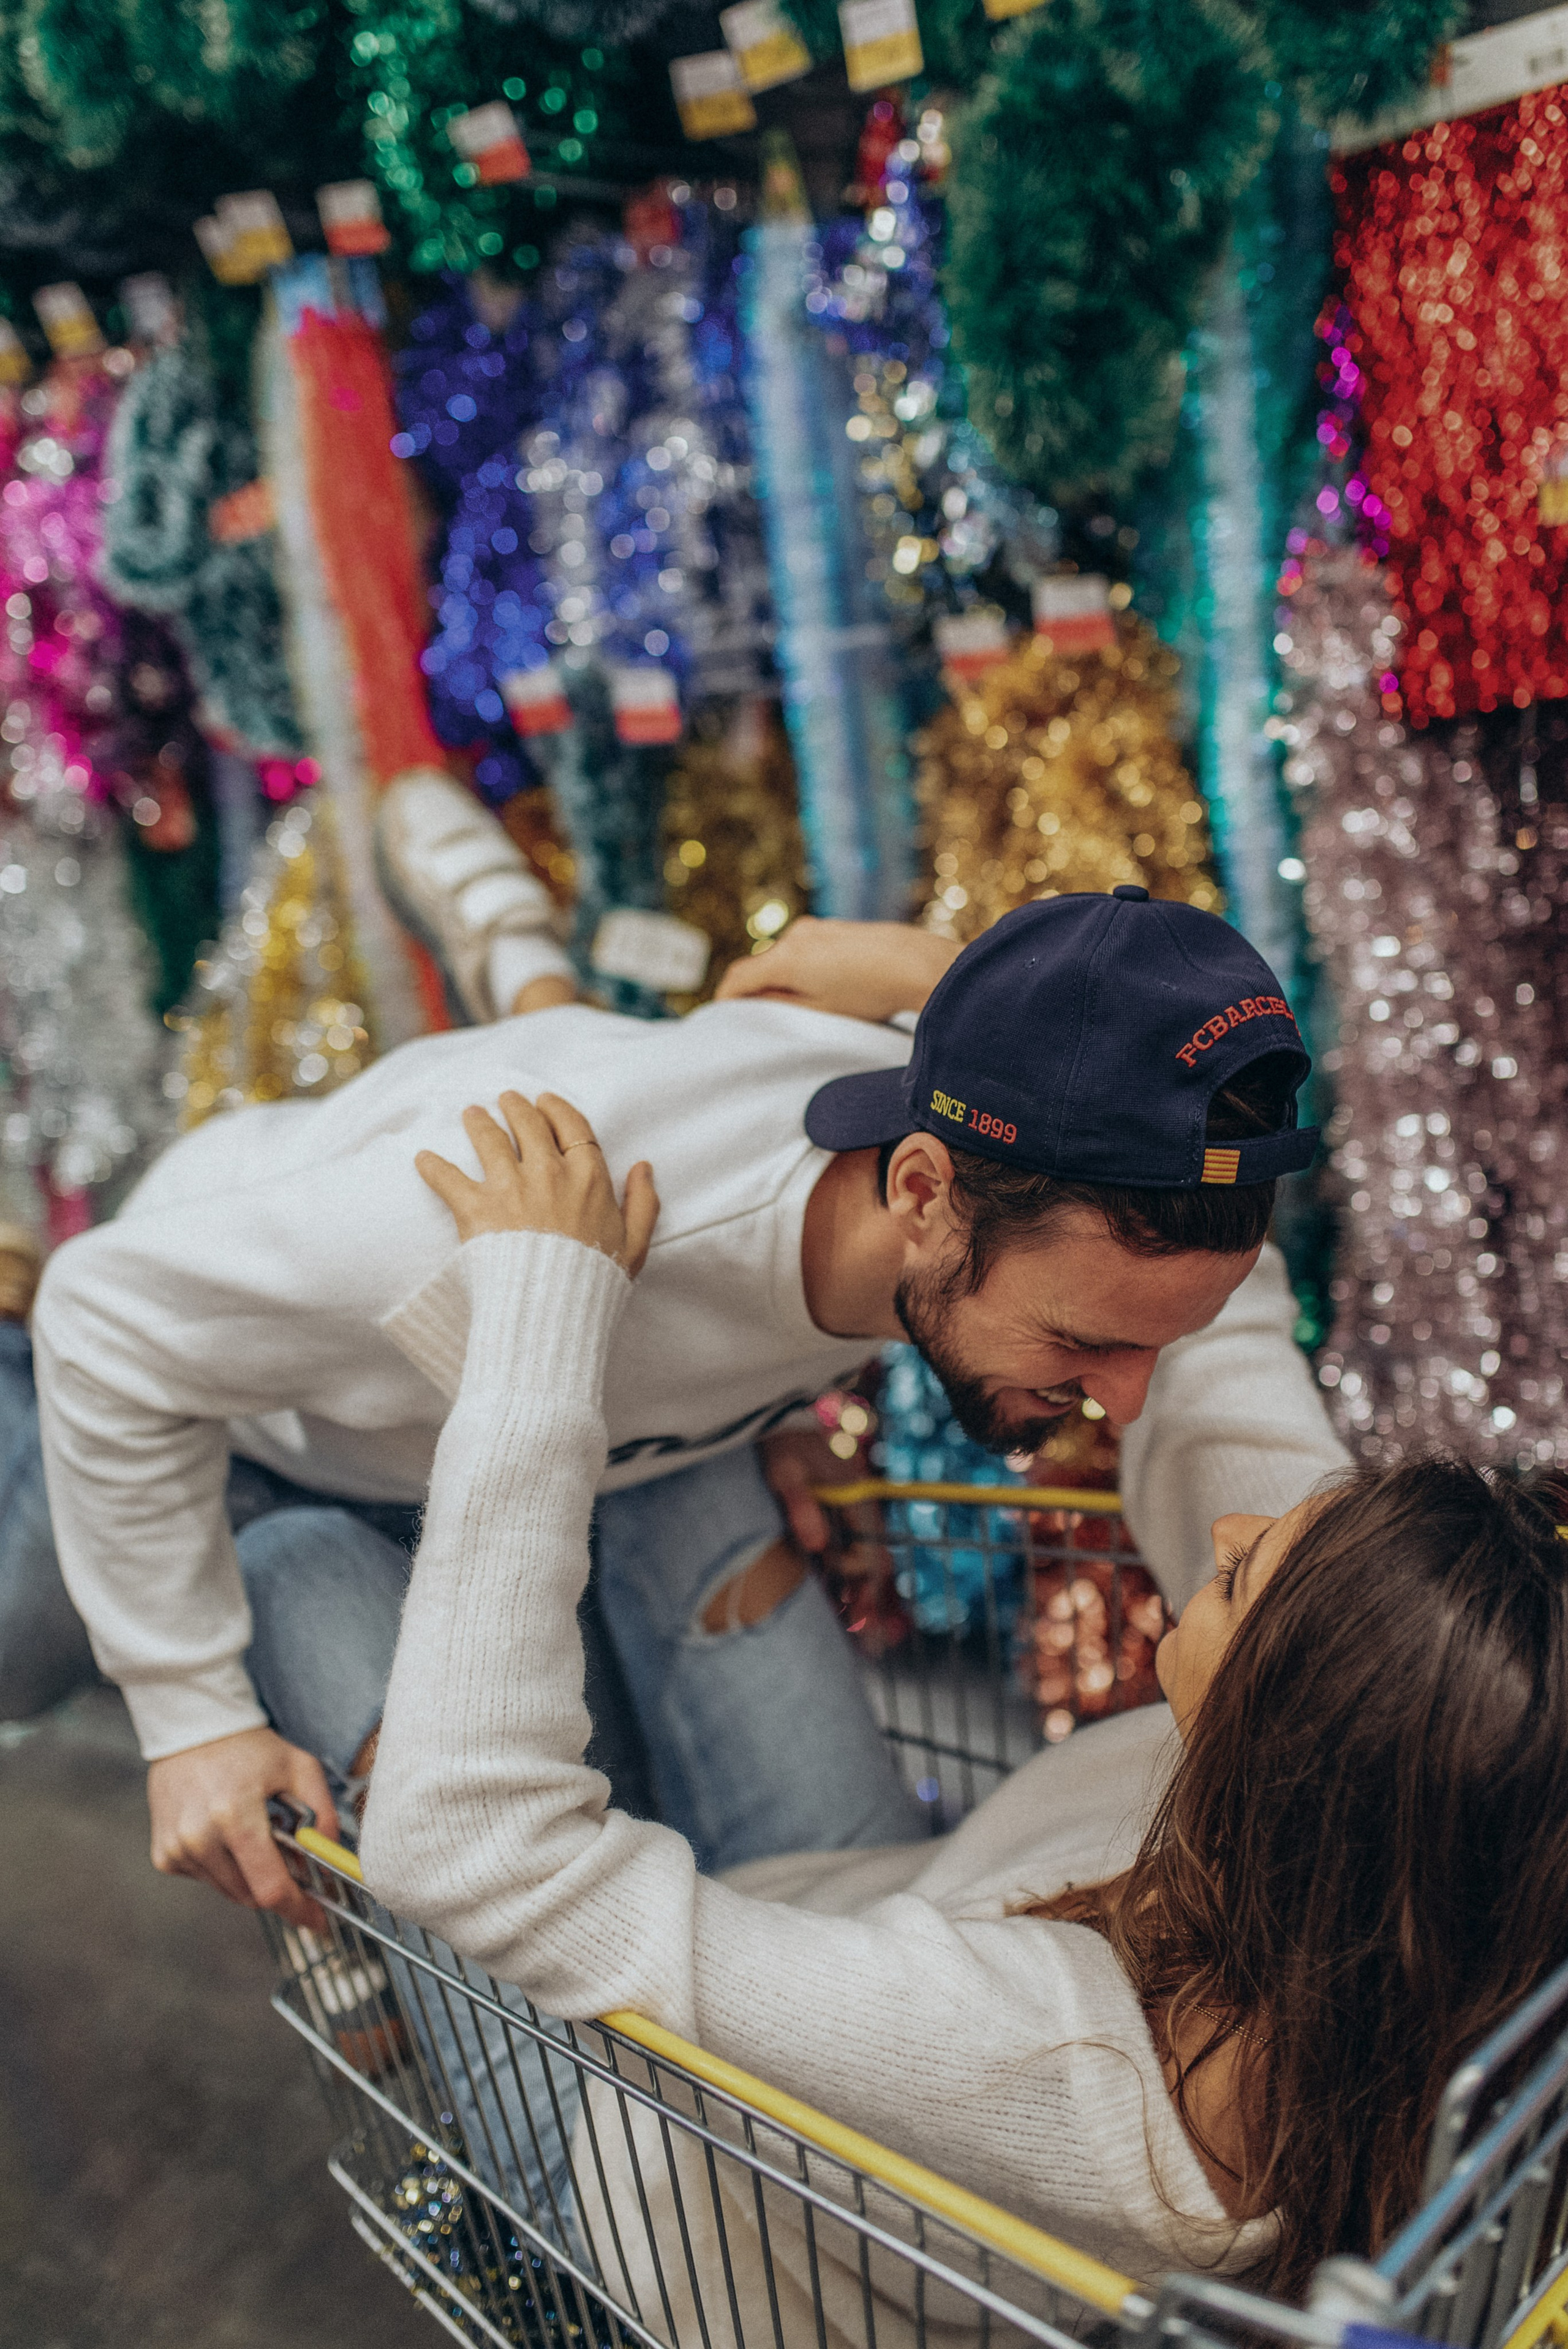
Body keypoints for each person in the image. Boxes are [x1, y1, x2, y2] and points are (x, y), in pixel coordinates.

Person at [361, 1087, 1568, 2303]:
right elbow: (1226, 1353)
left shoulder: (1034, 2060)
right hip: (856, 1915)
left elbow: (467, 1842)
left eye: (1244, 1576)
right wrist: (968, 1028)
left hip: (645, 2180)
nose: (1233, 1529)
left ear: (1300, 1744)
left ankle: (519, 2228)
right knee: (673, 1466)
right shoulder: (1362, 1851)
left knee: (298, 1569)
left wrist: (534, 1311)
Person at [23, 881, 1345, 1926]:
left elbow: (1090, 1082)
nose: (1120, 1406)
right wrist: (189, 1716)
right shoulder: (482, 1214)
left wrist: (936, 968)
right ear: (921, 1191)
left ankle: (513, 946)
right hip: (224, 1417)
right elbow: (106, 1319)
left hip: (524, 1440)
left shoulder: (992, 1135)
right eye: (1079, 1341)